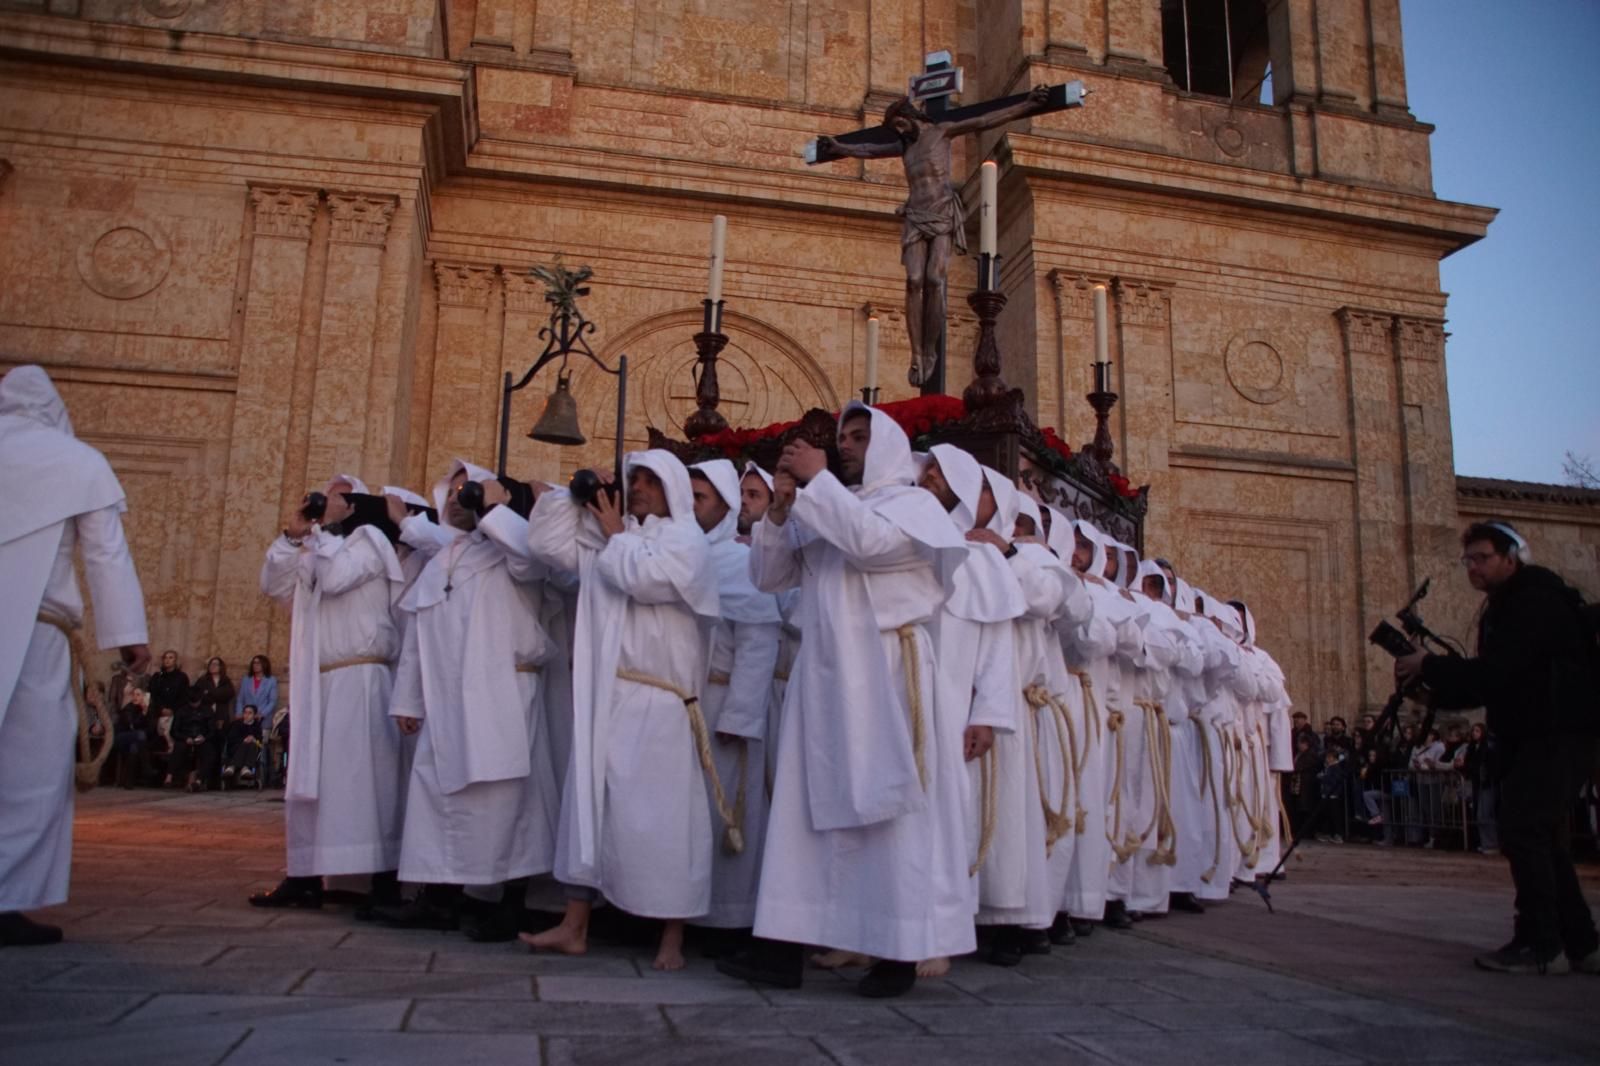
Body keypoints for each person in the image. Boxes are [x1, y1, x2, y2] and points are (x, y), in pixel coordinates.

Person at [717, 403, 966, 998]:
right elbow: (770, 578)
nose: (848, 445)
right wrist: (778, 512)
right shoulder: (827, 501)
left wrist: (816, 477)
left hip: (886, 671)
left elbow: (869, 544)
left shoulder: (911, 504)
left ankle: (898, 950)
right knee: (803, 811)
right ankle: (782, 946)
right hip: (826, 672)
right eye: (844, 436)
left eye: (859, 438)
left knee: (890, 808)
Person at [523, 451, 719, 971]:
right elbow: (545, 545)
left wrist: (614, 535)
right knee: (592, 805)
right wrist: (574, 496)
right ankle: (574, 924)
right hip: (609, 696)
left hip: (661, 701)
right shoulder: (616, 533)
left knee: (665, 820)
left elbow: (647, 581)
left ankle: (671, 936)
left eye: (652, 480)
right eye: (635, 479)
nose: (640, 488)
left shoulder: (685, 539)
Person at [1397, 521, 1599, 975]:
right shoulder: (1510, 604)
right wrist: (1430, 690)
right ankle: (1581, 942)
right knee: (1544, 835)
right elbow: (1492, 685)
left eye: (1482, 558)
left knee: (1524, 829)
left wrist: (1430, 663)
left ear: (1512, 557)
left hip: (1558, 731)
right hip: (1542, 733)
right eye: (1468, 559)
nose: (1473, 568)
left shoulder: (1533, 602)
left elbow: (1497, 672)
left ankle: (1540, 944)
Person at [0, 366, 150, 946]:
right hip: (38, 635)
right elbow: (106, 556)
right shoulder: (78, 462)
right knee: (31, 768)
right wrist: (128, 636)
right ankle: (7, 894)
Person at [384, 462, 558, 941]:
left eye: (468, 491)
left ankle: (510, 901)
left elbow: (532, 554)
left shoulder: (508, 548)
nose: (459, 500)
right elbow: (419, 634)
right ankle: (440, 897)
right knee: (438, 800)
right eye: (454, 492)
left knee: (507, 801)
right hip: (445, 701)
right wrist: (408, 699)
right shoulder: (443, 560)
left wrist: (494, 506)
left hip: (503, 694)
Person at [814, 87, 1053, 386]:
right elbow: (868, 150)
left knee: (935, 279)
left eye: (899, 125)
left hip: (941, 213)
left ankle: (930, 352)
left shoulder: (942, 131)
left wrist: (1025, 104)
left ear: (910, 116)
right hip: (915, 215)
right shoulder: (905, 147)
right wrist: (839, 147)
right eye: (894, 129)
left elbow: (985, 120)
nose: (898, 132)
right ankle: (917, 353)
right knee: (914, 280)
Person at [253, 474, 407, 913]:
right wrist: (292, 536)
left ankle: (380, 880)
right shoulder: (315, 549)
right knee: (311, 784)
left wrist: (322, 534)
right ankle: (303, 875)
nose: (327, 504)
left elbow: (339, 577)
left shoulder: (369, 541)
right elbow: (273, 584)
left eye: (339, 496)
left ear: (355, 504)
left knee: (364, 783)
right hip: (317, 681)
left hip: (361, 679)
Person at [686, 460, 783, 950]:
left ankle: (727, 918)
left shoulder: (738, 562)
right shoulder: (681, 552)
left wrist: (741, 715)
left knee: (725, 811)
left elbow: (759, 641)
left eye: (699, 498)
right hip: (686, 701)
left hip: (724, 703)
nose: (688, 503)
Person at [220, 705, 265, 787]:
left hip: (253, 749)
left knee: (251, 744)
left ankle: (233, 766)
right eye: (245, 713)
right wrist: (243, 740)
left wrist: (254, 739)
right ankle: (245, 768)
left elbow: (260, 742)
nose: (247, 715)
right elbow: (231, 739)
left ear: (254, 715)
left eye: (250, 713)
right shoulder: (236, 724)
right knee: (246, 743)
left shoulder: (257, 726)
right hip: (236, 748)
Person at [147, 649, 189, 720]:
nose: (167, 660)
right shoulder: (157, 676)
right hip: (158, 711)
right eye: (165, 657)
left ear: (175, 660)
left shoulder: (182, 677)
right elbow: (152, 694)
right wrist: (161, 708)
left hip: (175, 712)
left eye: (170, 657)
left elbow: (184, 695)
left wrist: (172, 709)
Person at [235, 655, 277, 722]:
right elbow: (240, 699)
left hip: (262, 719)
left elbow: (272, 701)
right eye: (254, 663)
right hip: (246, 718)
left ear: (264, 665)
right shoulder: (246, 679)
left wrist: (262, 713)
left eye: (258, 663)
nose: (255, 665)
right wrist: (239, 713)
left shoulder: (271, 680)